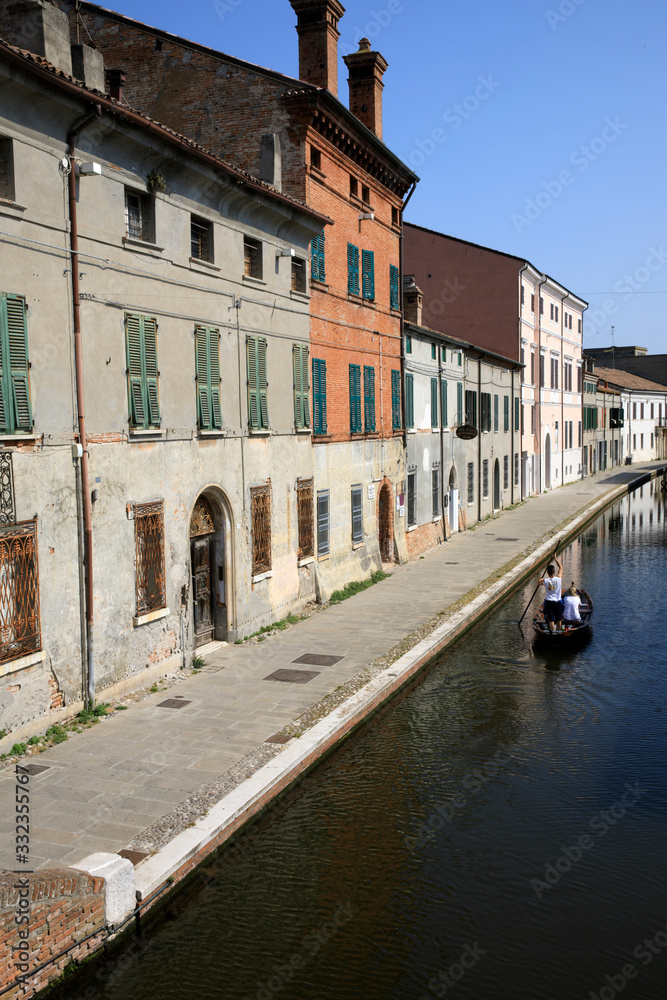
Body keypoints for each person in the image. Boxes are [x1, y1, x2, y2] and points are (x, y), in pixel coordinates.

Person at [538, 554, 563, 632]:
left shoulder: (545, 581)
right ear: (554, 572)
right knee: (558, 618)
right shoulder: (558, 579)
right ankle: (559, 632)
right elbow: (561, 567)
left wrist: (540, 578)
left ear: (547, 573)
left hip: (549, 602)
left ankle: (553, 633)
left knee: (551, 619)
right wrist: (555, 559)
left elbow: (539, 583)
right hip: (558, 601)